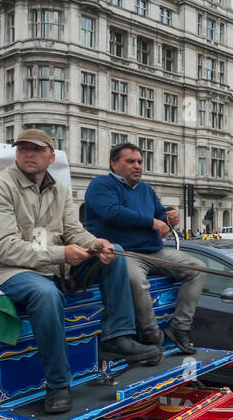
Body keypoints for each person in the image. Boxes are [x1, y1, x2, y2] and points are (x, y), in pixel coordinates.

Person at [0, 128, 158, 414]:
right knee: (45, 294)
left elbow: (74, 230)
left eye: (36, 149)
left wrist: (96, 243)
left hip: (52, 265)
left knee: (117, 254)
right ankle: (58, 383)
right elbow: (4, 249)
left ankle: (116, 336)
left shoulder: (59, 189)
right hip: (7, 271)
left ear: (51, 156)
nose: (28, 154)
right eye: (23, 149)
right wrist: (62, 254)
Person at [85, 142, 205, 355]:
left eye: (140, 161)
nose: (137, 166)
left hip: (153, 251)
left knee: (198, 268)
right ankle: (152, 336)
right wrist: (152, 222)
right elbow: (111, 212)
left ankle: (179, 328)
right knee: (136, 282)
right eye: (130, 161)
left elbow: (160, 216)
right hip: (123, 253)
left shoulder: (146, 189)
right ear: (114, 164)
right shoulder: (100, 185)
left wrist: (170, 217)